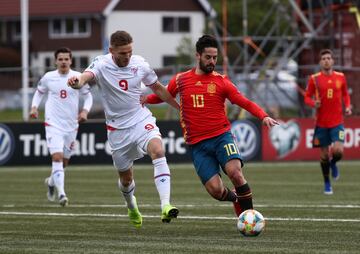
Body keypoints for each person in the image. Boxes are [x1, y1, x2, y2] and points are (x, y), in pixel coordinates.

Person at [143, 35, 278, 217]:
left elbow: (243, 101)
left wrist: (263, 116)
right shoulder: (181, 80)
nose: (212, 61)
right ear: (198, 56)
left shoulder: (221, 81)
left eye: (215, 58)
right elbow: (163, 95)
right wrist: (144, 99)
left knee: (235, 173)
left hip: (221, 137)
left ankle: (249, 217)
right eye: (208, 57)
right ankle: (237, 199)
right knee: (216, 190)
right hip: (197, 145)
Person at [67, 30, 180, 228]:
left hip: (140, 119)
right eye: (122, 53)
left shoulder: (140, 64)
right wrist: (77, 82)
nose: (127, 56)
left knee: (158, 150)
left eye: (129, 52)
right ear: (111, 50)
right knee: (126, 179)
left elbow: (159, 89)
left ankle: (166, 205)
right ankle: (131, 205)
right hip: (117, 131)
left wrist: (180, 108)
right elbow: (85, 77)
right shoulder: (101, 63)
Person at [30, 47, 93, 206]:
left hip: (71, 125)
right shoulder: (48, 77)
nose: (63, 62)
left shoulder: (78, 77)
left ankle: (51, 182)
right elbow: (39, 92)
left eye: (66, 59)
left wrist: (85, 111)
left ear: (70, 61)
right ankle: (62, 194)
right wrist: (34, 107)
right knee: (56, 158)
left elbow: (88, 97)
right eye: (61, 59)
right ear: (56, 61)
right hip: (53, 123)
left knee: (64, 162)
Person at [304, 49, 352, 195]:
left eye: (328, 58)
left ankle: (334, 163)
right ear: (320, 62)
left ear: (332, 61)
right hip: (321, 123)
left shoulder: (341, 77)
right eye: (323, 58)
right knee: (324, 155)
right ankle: (327, 183)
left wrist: (348, 107)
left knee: (338, 151)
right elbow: (307, 97)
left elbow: (345, 95)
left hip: (337, 122)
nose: (326, 60)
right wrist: (314, 104)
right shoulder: (314, 78)